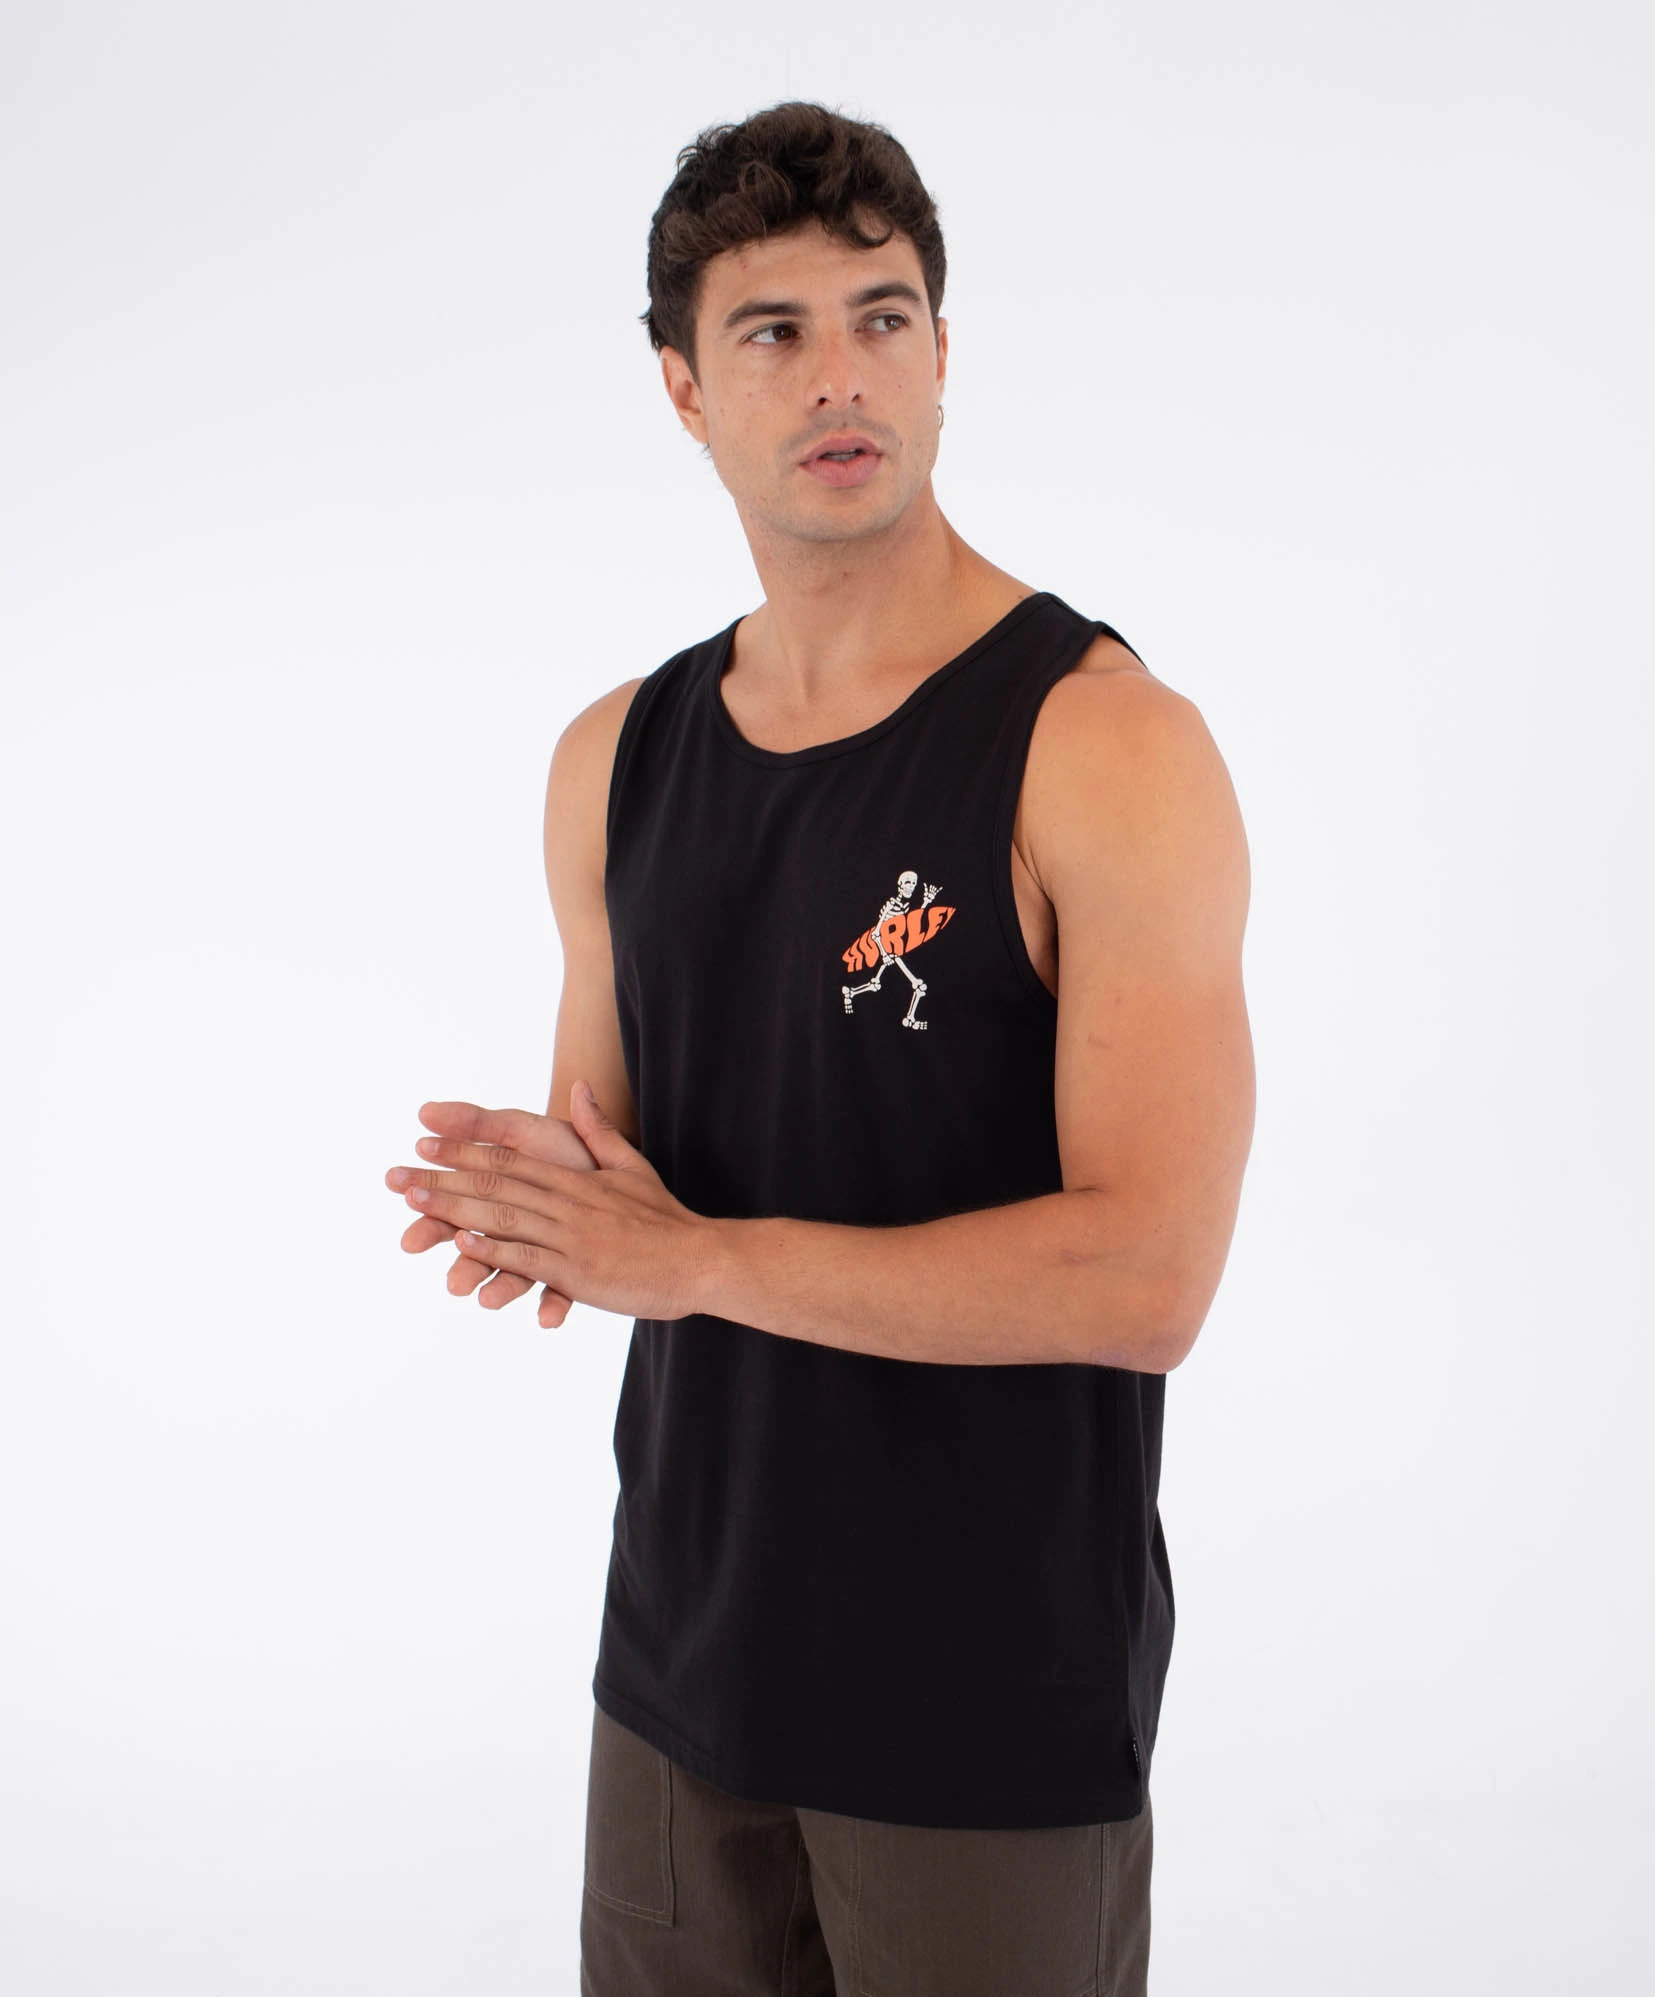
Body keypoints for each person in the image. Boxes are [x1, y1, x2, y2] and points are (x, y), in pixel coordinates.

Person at [383, 99, 1255, 1996]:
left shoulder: (1104, 745)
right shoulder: (616, 758)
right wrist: (535, 1200)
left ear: (942, 354)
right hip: (675, 1678)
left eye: (882, 317)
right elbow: (627, 1174)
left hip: (986, 1714)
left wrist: (693, 1259)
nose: (840, 375)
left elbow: (1149, 1276)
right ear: (687, 391)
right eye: (774, 331)